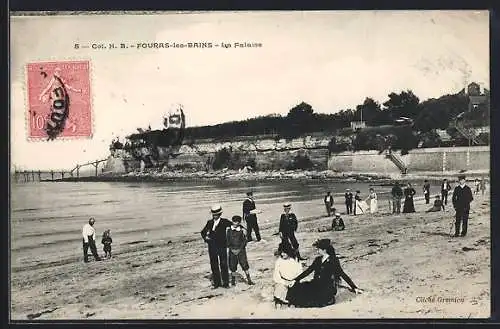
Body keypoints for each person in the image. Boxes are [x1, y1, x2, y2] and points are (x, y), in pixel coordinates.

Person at [287, 239, 363, 308]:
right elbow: (308, 271)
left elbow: (342, 274)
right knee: (300, 287)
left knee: (313, 299)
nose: (317, 251)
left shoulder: (333, 260)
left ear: (324, 250)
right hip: (315, 284)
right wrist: (295, 280)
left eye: (318, 249)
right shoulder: (318, 259)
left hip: (327, 287)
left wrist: (354, 287)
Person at [201, 204, 233, 288]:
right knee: (214, 264)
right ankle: (217, 283)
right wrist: (206, 238)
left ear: (219, 214)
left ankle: (225, 283)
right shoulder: (210, 222)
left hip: (222, 246)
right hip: (212, 246)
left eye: (216, 214)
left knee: (223, 264)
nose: (215, 216)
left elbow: (234, 226)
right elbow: (203, 232)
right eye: (213, 214)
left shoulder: (225, 221)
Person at [226, 215, 255, 286]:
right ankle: (233, 281)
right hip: (232, 251)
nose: (235, 223)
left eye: (237, 222)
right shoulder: (229, 230)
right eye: (234, 221)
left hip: (241, 251)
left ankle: (249, 280)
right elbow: (227, 241)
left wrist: (239, 249)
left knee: (244, 264)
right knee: (232, 266)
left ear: (239, 222)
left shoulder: (242, 231)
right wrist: (231, 249)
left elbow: (245, 241)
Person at [273, 243, 303, 308]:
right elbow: (276, 276)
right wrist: (285, 282)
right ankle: (279, 301)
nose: (282, 254)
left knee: (297, 291)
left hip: (294, 281)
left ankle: (293, 302)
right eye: (281, 252)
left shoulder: (295, 260)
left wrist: (294, 281)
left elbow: (300, 272)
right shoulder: (279, 261)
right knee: (280, 289)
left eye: (284, 252)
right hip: (283, 282)